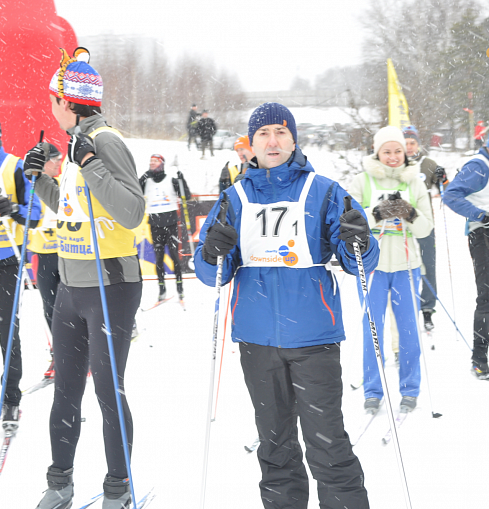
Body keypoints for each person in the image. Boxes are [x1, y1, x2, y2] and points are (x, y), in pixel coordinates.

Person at [195, 103, 377, 509]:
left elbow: (359, 262)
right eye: (263, 134)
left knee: (327, 446)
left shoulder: (325, 190)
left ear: (294, 139)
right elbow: (212, 274)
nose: (272, 141)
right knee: (275, 449)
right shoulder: (234, 197)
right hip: (258, 341)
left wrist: (359, 240)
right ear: (251, 143)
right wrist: (212, 252)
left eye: (280, 132)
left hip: (314, 337)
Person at [24, 47, 145, 509]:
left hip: (110, 286)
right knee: (67, 390)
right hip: (71, 287)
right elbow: (76, 214)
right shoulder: (77, 144)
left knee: (106, 391)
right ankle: (60, 483)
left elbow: (131, 212)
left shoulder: (104, 141)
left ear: (68, 101)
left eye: (53, 100)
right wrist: (41, 180)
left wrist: (91, 163)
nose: (50, 108)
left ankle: (119, 486)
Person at [349, 125, 434, 414]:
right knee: (372, 330)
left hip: (406, 267)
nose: (393, 156)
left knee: (409, 331)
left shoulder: (415, 182)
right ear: (377, 152)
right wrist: (379, 213)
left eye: (398, 150)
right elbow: (350, 223)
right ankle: (373, 390)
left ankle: (410, 389)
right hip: (372, 268)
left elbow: (425, 228)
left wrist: (408, 212)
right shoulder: (363, 180)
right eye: (387, 151)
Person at [0, 109, 41, 432]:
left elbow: (36, 213)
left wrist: (13, 209)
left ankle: (11, 397)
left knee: (8, 334)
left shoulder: (14, 166)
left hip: (6, 263)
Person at [443, 138, 489, 380]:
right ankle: (480, 358)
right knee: (487, 296)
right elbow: (450, 195)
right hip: (483, 233)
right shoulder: (479, 165)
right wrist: (480, 214)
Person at [403, 125, 447, 329]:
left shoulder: (427, 163)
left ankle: (427, 309)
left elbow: (446, 190)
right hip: (400, 225)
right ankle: (405, 306)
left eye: (412, 143)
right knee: (404, 267)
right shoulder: (396, 163)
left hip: (424, 223)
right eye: (406, 143)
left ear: (418, 144)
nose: (409, 147)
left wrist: (442, 178)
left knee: (428, 266)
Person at [27, 143, 62, 378]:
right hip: (43, 256)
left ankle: (81, 353)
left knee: (73, 306)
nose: (59, 163)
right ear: (43, 163)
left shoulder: (62, 186)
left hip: (66, 255)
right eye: (55, 159)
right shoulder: (30, 188)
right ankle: (58, 355)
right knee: (50, 309)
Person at [139, 153, 191, 301]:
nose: (152, 163)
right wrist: (144, 176)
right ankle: (162, 289)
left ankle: (180, 288)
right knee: (159, 258)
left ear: (161, 163)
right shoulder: (146, 181)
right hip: (155, 224)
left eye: (155, 161)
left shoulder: (171, 180)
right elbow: (135, 190)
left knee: (175, 256)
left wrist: (182, 180)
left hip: (170, 223)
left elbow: (186, 196)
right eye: (151, 161)